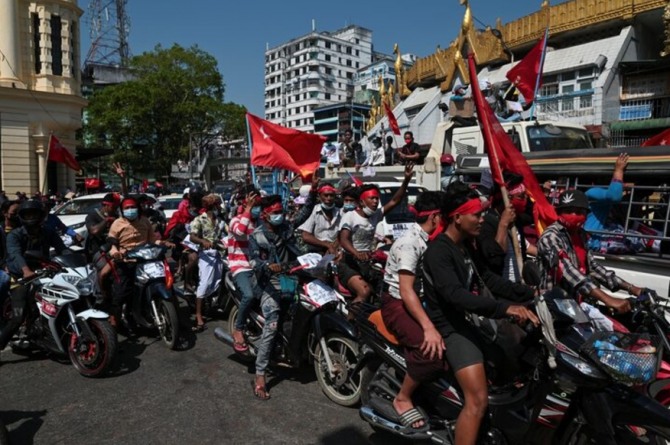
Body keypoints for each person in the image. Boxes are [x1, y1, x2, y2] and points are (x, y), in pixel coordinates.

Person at [423, 182, 538, 445]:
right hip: (452, 327)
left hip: (473, 319)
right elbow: (456, 296)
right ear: (457, 217)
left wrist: (530, 294)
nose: (481, 219)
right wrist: (504, 308)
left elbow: (487, 279)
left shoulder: (467, 244)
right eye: (476, 214)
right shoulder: (439, 251)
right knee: (477, 401)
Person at [381, 191, 448, 430]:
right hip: (398, 303)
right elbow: (407, 291)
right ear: (436, 217)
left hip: (420, 300)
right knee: (429, 350)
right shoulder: (410, 242)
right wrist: (428, 328)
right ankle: (403, 398)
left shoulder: (432, 240)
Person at [537, 189, 637, 313]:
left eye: (579, 212)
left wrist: (631, 288)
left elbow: (593, 267)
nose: (574, 215)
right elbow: (567, 270)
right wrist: (607, 299)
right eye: (568, 211)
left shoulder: (581, 235)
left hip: (578, 303)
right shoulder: (550, 237)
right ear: (559, 212)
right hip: (556, 305)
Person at [248, 195, 304, 400]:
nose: (280, 216)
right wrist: (267, 266)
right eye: (275, 213)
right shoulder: (257, 236)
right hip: (267, 283)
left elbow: (299, 246)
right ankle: (260, 374)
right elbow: (253, 261)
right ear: (264, 215)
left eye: (281, 211)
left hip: (291, 279)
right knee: (272, 322)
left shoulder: (286, 229)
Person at [338, 163, 414, 305]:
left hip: (368, 263)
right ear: (362, 201)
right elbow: (344, 239)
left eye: (377, 199)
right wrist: (356, 253)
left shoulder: (376, 215)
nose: (375, 201)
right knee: (364, 291)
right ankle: (351, 322)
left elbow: (395, 200)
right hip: (348, 264)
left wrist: (406, 180)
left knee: (385, 290)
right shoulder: (350, 216)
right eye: (371, 198)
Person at [0, 200, 68, 351]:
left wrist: (76, 260)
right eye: (27, 214)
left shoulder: (48, 231)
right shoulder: (14, 235)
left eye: (34, 214)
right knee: (18, 316)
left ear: (41, 215)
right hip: (20, 277)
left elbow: (62, 249)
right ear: (22, 216)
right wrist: (25, 270)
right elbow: (15, 254)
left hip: (45, 272)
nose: (31, 217)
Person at [107, 196, 171, 329]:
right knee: (121, 293)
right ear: (122, 210)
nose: (130, 210)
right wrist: (115, 253)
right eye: (127, 208)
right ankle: (115, 323)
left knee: (164, 281)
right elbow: (112, 244)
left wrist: (164, 243)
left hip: (146, 261)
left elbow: (153, 240)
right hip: (126, 262)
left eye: (133, 207)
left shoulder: (144, 221)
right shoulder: (117, 224)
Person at [477, 173, 537, 282]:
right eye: (520, 197)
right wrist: (503, 224)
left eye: (525, 196)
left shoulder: (517, 221)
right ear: (506, 198)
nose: (524, 200)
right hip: (501, 290)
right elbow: (494, 259)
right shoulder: (487, 224)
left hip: (519, 287)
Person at [189, 194, 226, 332]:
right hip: (206, 255)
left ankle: (212, 306)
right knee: (204, 284)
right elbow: (193, 236)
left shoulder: (220, 221)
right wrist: (203, 242)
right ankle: (198, 316)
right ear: (212, 206)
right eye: (217, 204)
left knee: (217, 282)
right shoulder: (199, 220)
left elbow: (228, 232)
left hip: (219, 253)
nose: (219, 207)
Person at [585, 153, 629, 253]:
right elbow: (614, 196)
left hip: (602, 241)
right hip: (592, 244)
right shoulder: (591, 192)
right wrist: (618, 171)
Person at [85, 192, 121, 307]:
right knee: (106, 271)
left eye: (116, 207)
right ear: (105, 205)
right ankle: (102, 296)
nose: (115, 209)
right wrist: (106, 220)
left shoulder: (118, 216)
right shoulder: (92, 216)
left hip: (116, 248)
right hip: (99, 251)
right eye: (113, 207)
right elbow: (93, 231)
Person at [298, 183, 342, 255]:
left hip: (336, 249)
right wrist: (327, 245)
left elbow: (343, 234)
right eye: (326, 195)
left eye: (331, 195)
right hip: (317, 250)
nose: (329, 198)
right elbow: (306, 236)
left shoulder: (340, 212)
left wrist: (334, 246)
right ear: (320, 196)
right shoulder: (313, 211)